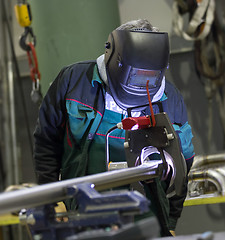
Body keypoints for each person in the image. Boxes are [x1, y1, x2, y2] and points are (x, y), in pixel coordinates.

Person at [33, 19, 195, 236]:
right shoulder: (73, 82)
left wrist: (171, 222)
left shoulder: (170, 99)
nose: (141, 84)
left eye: (149, 77)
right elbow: (46, 143)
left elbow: (182, 163)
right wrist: (52, 200)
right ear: (113, 57)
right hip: (81, 212)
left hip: (147, 216)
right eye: (135, 74)